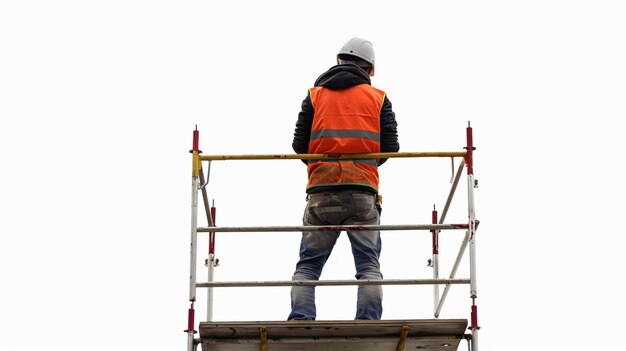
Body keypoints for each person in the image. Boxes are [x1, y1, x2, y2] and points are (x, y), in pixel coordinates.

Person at [288, 37, 400, 321]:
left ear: (338, 60)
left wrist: (322, 166)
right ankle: (368, 321)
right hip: (362, 191)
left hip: (320, 191)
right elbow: (391, 147)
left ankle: (301, 319)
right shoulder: (378, 98)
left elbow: (300, 145)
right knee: (368, 266)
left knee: (308, 266)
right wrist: (364, 165)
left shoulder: (315, 96)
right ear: (370, 69)